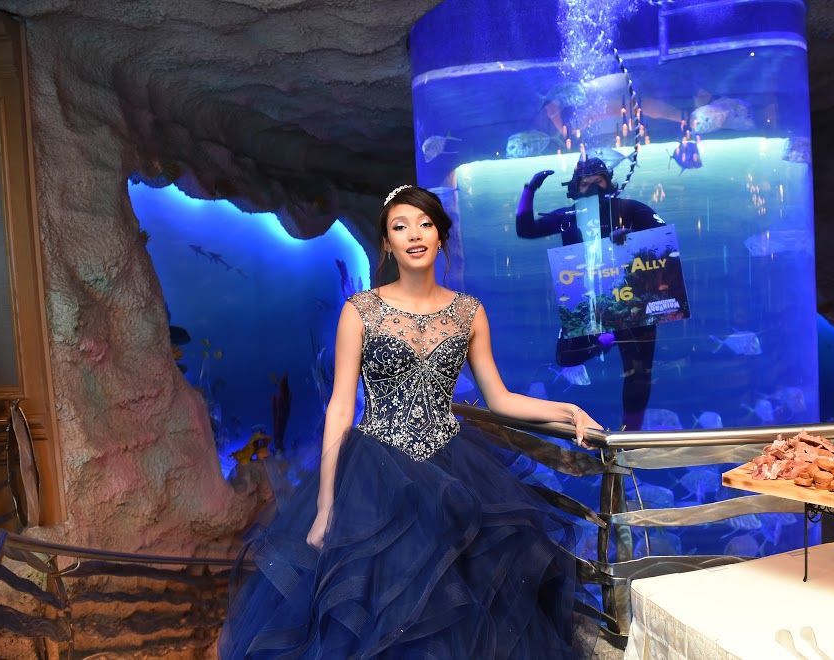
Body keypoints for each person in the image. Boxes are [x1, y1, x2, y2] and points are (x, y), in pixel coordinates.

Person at [220, 185, 603, 658]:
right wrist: (324, 506)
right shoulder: (359, 311)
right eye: (400, 227)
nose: (414, 235)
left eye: (424, 224)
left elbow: (499, 399)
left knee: (459, 614)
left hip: (452, 475)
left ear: (440, 236)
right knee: (375, 615)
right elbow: (341, 406)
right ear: (386, 243)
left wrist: (566, 411)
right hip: (373, 476)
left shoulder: (469, 312)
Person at [516, 157, 665, 431]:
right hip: (586, 301)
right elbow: (525, 230)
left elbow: (663, 236)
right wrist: (529, 189)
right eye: (586, 183)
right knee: (566, 357)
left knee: (639, 372)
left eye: (599, 182)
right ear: (575, 187)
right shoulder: (568, 217)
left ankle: (630, 436)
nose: (593, 188)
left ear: (609, 183)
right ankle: (602, 343)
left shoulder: (630, 209)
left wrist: (630, 237)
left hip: (632, 301)